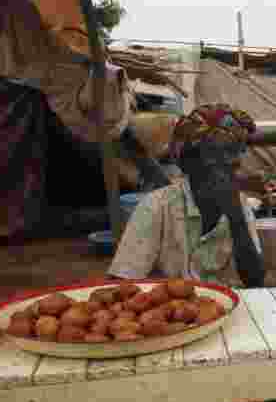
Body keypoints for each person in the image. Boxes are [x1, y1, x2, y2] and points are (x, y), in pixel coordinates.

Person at [109, 103, 265, 288]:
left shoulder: (239, 205)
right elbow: (123, 283)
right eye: (212, 158)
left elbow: (254, 281)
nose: (222, 170)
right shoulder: (157, 207)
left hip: (226, 304)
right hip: (170, 309)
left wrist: (236, 216)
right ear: (188, 164)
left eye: (230, 158)